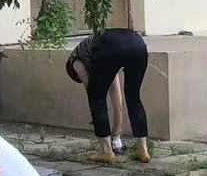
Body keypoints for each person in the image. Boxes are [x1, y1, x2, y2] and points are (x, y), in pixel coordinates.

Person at [65, 28, 152, 164]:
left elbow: (93, 95)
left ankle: (106, 152)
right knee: (134, 98)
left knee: (96, 98)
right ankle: (143, 150)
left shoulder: (75, 61)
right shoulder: (99, 54)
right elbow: (118, 103)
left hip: (111, 48)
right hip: (138, 44)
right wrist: (116, 134)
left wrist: (100, 119)